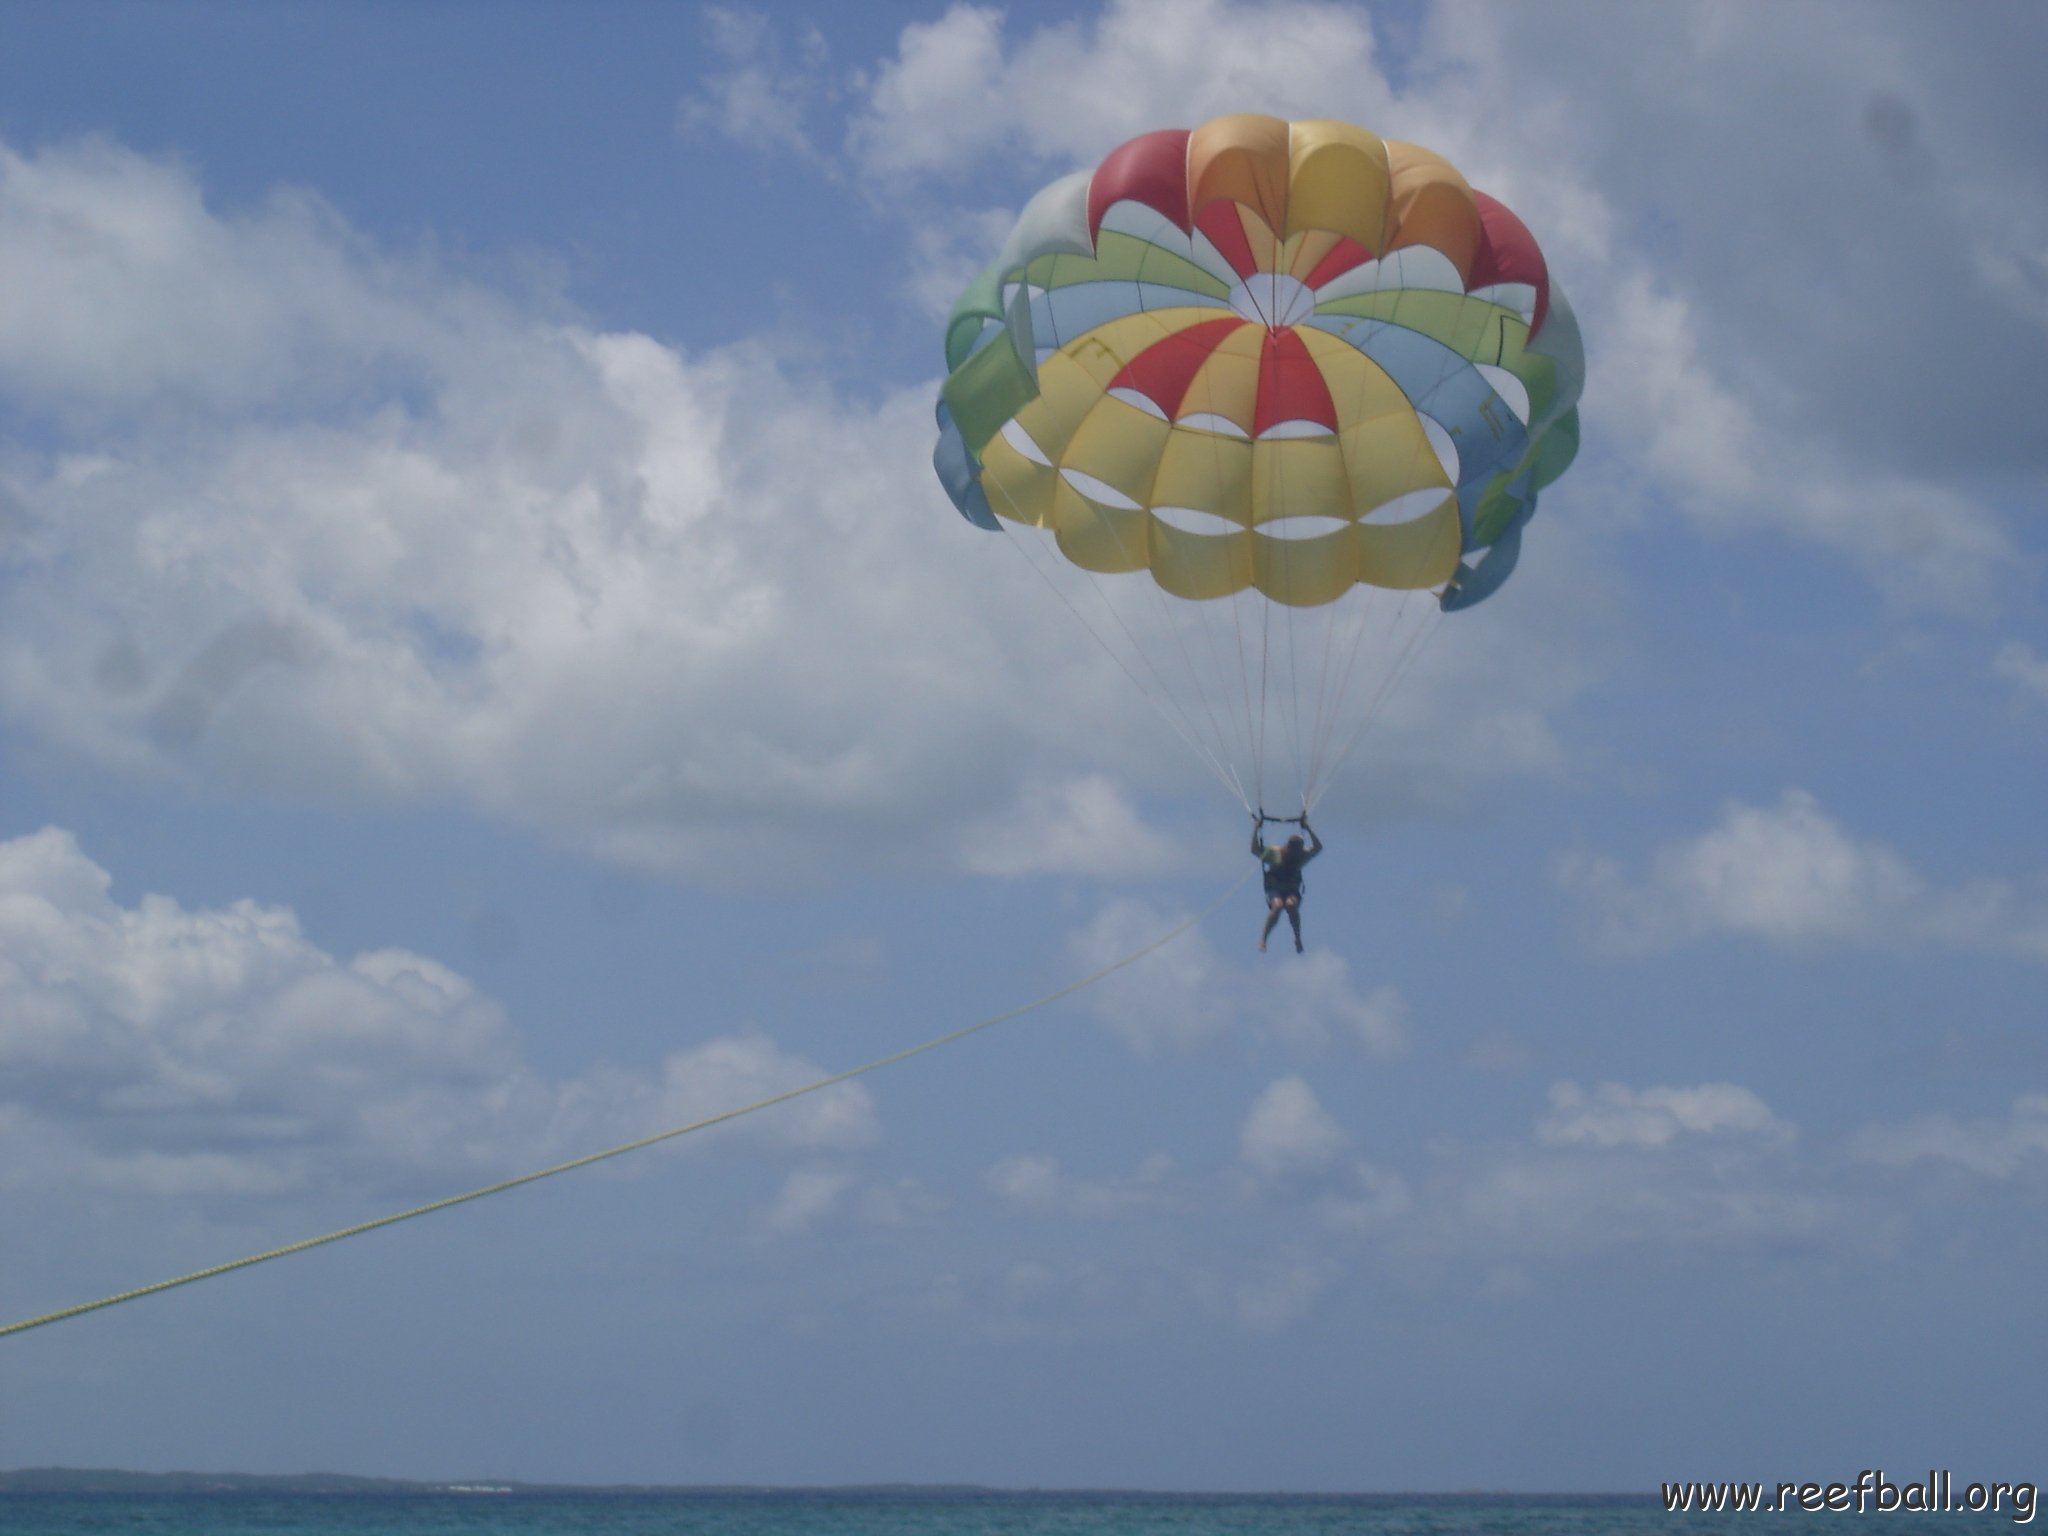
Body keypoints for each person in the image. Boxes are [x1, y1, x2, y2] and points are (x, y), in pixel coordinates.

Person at [1252, 814, 1323, 952]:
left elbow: (1318, 847)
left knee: (1291, 905)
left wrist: (1307, 827)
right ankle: (1263, 939)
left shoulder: (1302, 855)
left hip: (1291, 889)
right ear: (1288, 847)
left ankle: (1297, 938)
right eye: (1293, 850)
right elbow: (1254, 849)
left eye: (1298, 851)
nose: (1295, 854)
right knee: (1278, 906)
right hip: (1274, 888)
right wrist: (1256, 828)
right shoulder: (1275, 853)